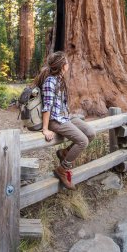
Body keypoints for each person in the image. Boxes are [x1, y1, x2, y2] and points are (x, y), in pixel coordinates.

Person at [34, 51, 96, 190]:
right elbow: (47, 106)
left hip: (65, 117)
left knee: (91, 133)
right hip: (55, 120)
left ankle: (64, 153)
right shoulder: (50, 81)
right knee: (83, 141)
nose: (68, 64)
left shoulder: (60, 79)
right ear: (62, 65)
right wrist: (45, 128)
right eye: (67, 62)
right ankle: (62, 170)